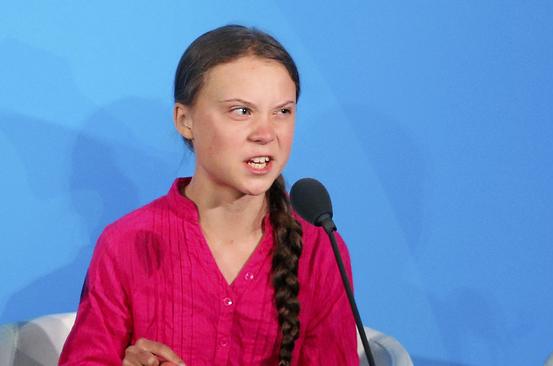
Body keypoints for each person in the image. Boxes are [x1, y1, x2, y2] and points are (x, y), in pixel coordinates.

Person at [58, 25, 359, 365]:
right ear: (184, 120)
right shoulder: (125, 243)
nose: (266, 133)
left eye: (282, 112)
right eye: (241, 111)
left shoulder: (320, 248)